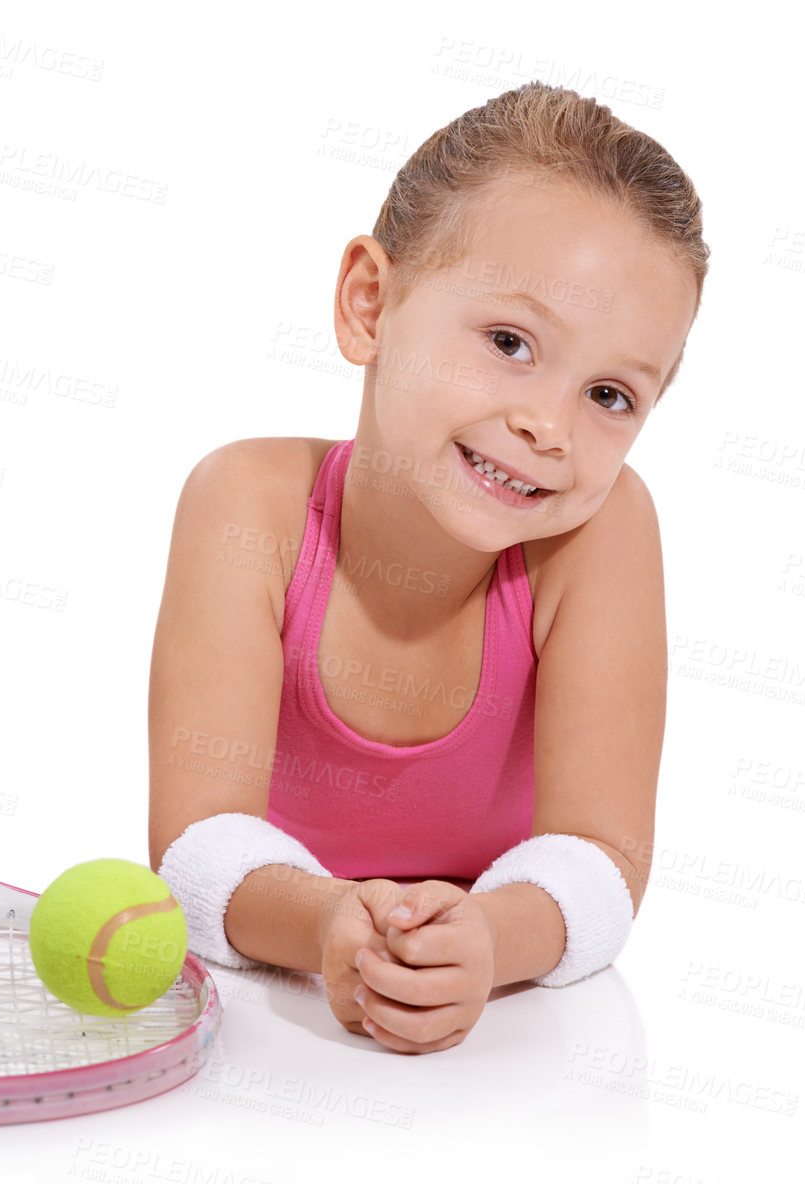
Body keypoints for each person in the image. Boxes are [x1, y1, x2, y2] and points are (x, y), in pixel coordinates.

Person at [148, 79, 709, 1054]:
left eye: (610, 395)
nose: (547, 425)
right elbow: (196, 847)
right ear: (371, 303)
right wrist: (324, 921)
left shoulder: (598, 533)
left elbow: (602, 859)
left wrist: (489, 936)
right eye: (508, 341)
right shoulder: (246, 504)